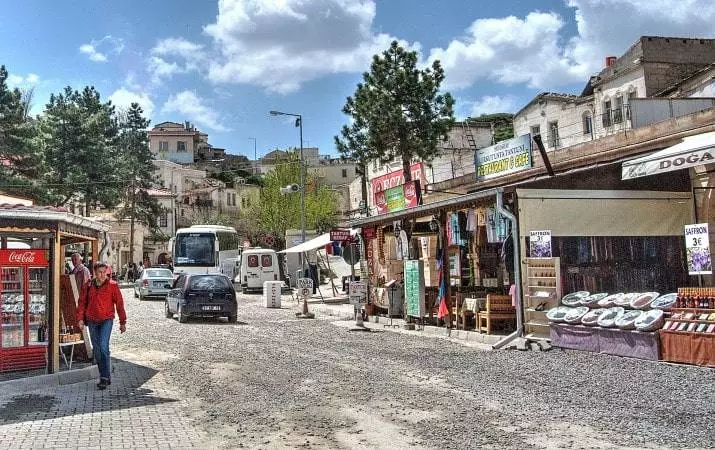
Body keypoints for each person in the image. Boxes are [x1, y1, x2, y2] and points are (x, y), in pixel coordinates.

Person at [76, 262, 127, 390]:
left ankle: (104, 377)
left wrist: (123, 322)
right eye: (100, 272)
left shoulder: (112, 286)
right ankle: (105, 375)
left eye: (105, 272)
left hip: (106, 320)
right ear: (94, 273)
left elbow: (119, 304)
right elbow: (82, 303)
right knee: (97, 350)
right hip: (92, 320)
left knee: (104, 346)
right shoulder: (88, 286)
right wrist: (80, 319)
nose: (103, 274)